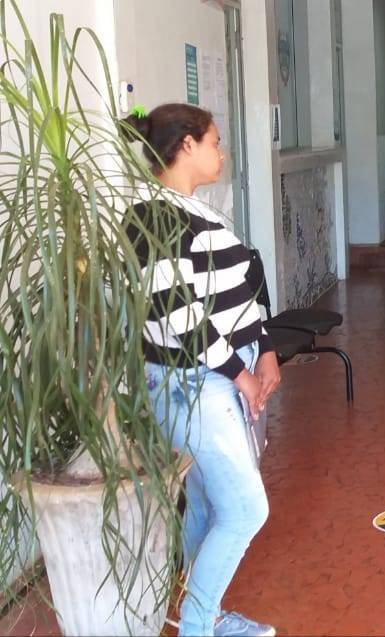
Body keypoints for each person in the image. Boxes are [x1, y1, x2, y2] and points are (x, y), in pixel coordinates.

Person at [123, 104, 279, 637]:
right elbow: (177, 314)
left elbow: (238, 289)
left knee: (210, 502)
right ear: (186, 146)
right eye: (214, 141)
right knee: (245, 510)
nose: (222, 153)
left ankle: (200, 616)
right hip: (193, 382)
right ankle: (196, 625)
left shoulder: (191, 208)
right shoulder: (152, 215)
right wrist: (241, 373)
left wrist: (265, 348)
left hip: (216, 377)